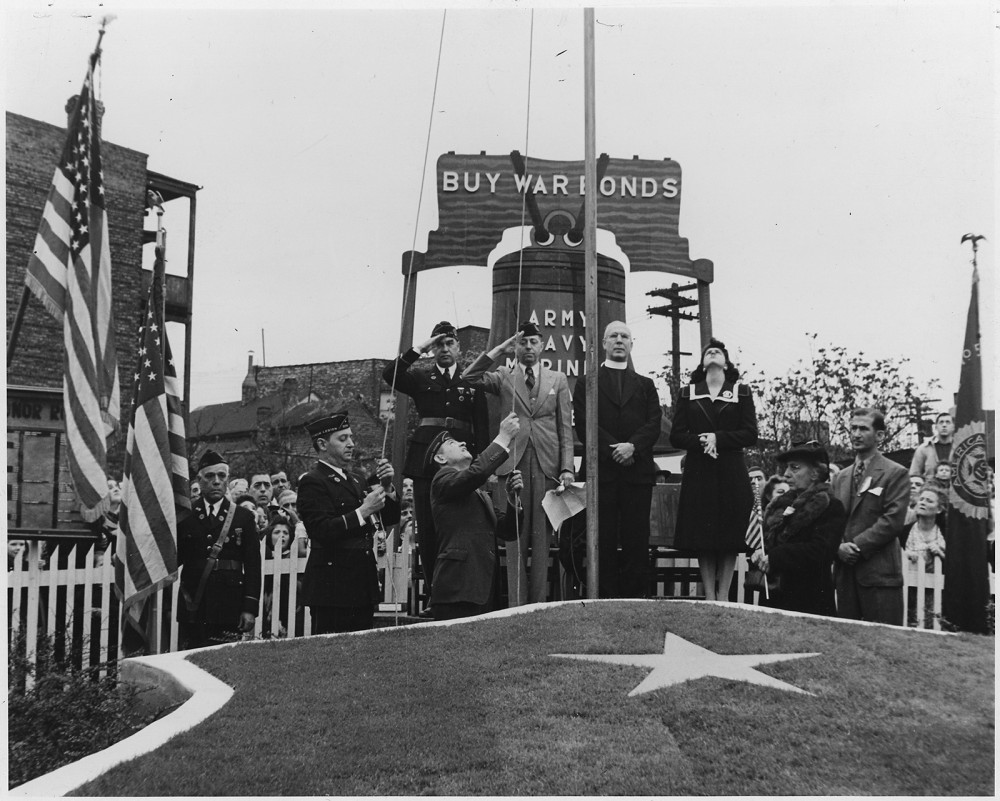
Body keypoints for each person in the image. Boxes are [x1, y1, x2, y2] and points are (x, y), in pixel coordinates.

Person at [462, 322, 575, 605]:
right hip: (511, 464)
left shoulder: (558, 379)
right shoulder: (504, 375)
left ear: (541, 345)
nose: (528, 347)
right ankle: (516, 607)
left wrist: (567, 467)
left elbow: (565, 427)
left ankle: (537, 606)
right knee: (514, 539)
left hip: (547, 466)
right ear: (517, 346)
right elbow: (469, 376)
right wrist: (500, 349)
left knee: (542, 541)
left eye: (533, 341)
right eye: (522, 342)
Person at [383, 320, 489, 604]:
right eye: (438, 344)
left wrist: (483, 465)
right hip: (427, 460)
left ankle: (463, 591)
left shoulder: (471, 380)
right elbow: (390, 374)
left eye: (449, 343)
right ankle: (435, 593)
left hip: (463, 461)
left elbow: (482, 426)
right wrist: (419, 348)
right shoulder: (420, 377)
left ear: (459, 347)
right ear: (432, 349)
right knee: (428, 528)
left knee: (462, 524)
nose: (444, 349)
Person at [572, 321, 662, 599]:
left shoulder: (646, 385)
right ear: (603, 343)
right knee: (603, 538)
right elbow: (585, 423)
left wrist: (632, 447)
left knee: (637, 538)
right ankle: (605, 595)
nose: (619, 340)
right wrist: (615, 449)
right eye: (613, 336)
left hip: (637, 473)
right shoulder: (587, 382)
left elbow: (654, 422)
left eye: (625, 336)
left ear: (632, 344)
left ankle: (635, 598)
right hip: (603, 473)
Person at [670, 338, 758, 601]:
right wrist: (700, 441)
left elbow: (750, 433)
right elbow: (676, 436)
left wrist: (718, 438)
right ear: (702, 362)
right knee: (703, 535)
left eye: (718, 351)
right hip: (700, 471)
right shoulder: (688, 393)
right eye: (708, 351)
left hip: (731, 470)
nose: (713, 353)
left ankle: (723, 596)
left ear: (726, 362)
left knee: (729, 535)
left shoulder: (741, 392)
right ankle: (709, 595)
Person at [297, 411, 399, 634]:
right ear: (323, 444)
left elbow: (388, 520)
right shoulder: (313, 481)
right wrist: (362, 511)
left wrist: (388, 487)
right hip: (331, 587)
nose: (351, 444)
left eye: (351, 438)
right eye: (342, 439)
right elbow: (321, 530)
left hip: (361, 583)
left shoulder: (356, 479)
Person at [427, 412, 523, 620]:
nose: (462, 442)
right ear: (440, 458)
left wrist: (512, 499)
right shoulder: (441, 479)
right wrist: (503, 438)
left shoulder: (478, 493)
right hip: (458, 590)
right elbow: (477, 473)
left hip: (482, 591)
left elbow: (508, 531)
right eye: (452, 442)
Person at [831, 408, 910, 625]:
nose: (856, 434)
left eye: (863, 428)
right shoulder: (840, 477)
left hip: (879, 575)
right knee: (848, 643)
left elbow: (892, 521)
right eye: (853, 428)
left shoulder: (896, 473)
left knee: (884, 643)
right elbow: (831, 520)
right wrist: (838, 547)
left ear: (880, 436)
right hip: (845, 575)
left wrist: (855, 546)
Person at [749, 441, 846, 615]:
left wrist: (776, 557)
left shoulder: (831, 506)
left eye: (794, 468)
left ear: (815, 473)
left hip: (809, 601)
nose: (786, 474)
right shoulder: (780, 504)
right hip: (774, 597)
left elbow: (821, 551)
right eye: (787, 468)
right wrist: (761, 552)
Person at [176, 450, 261, 649]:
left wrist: (249, 608)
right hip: (194, 603)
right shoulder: (185, 516)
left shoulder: (243, 517)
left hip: (229, 604)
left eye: (221, 476)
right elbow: (175, 559)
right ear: (199, 480)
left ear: (227, 479)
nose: (216, 481)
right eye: (210, 476)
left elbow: (253, 566)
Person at [902, 485, 947, 627]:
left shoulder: (947, 534)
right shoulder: (904, 532)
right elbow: (893, 555)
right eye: (921, 499)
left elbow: (956, 566)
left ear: (939, 509)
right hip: (906, 590)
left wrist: (942, 554)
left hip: (937, 593)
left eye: (929, 501)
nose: (922, 502)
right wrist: (904, 554)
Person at [909, 411, 955, 480]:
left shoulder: (960, 448)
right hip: (930, 489)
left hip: (954, 489)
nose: (944, 425)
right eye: (941, 422)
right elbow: (914, 475)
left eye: (948, 422)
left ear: (953, 427)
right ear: (936, 427)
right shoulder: (923, 449)